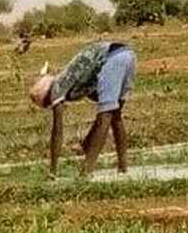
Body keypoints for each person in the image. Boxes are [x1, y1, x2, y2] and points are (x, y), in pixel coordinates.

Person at [30, 41, 137, 178]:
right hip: (128, 55)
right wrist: (86, 143)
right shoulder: (76, 84)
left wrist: (53, 170)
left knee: (106, 115)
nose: (52, 106)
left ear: (47, 94)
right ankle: (123, 169)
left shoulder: (57, 86)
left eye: (47, 103)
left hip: (112, 59)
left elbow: (57, 130)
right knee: (115, 116)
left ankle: (86, 172)